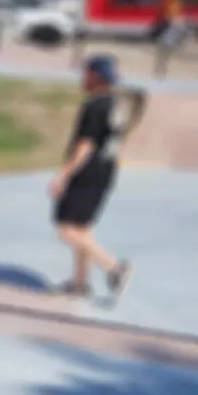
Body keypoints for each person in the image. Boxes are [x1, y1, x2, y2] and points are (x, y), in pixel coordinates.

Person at [51, 53, 135, 305]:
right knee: (83, 228)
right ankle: (79, 283)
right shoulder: (116, 105)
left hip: (87, 171)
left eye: (87, 73)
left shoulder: (94, 106)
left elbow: (85, 145)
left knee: (66, 230)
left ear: (96, 77)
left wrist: (63, 175)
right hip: (106, 169)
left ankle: (114, 268)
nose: (83, 78)